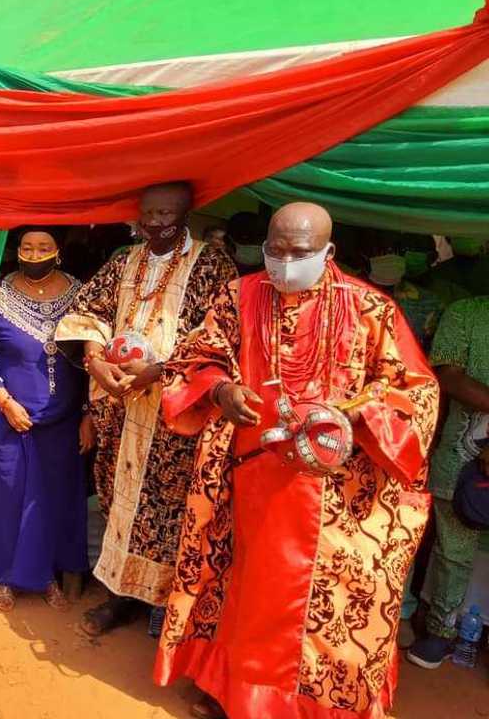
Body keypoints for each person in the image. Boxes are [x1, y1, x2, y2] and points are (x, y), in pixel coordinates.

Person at [156, 202, 439, 719]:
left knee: (327, 611)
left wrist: (352, 417)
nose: (285, 262)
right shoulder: (239, 296)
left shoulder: (370, 309)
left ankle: (320, 705)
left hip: (338, 491)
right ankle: (237, 693)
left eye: (300, 252)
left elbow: (414, 392)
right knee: (250, 599)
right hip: (251, 477)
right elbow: (195, 357)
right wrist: (219, 390)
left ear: (328, 251)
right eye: (275, 251)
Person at [55, 182, 237, 637]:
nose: (153, 223)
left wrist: (158, 370)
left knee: (167, 505)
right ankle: (119, 595)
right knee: (119, 499)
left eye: (164, 215)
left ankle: (163, 602)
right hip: (118, 405)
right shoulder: (123, 259)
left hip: (171, 410)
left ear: (186, 215)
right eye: (148, 214)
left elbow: (216, 336)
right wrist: (96, 362)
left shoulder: (213, 266)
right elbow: (89, 311)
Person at [0, 228, 88, 610]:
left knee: (52, 499)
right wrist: (6, 403)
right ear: (16, 251)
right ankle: (7, 577)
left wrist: (88, 414)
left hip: (64, 422)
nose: (33, 254)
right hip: (9, 419)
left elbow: (93, 361)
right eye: (26, 247)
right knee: (8, 496)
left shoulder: (81, 295)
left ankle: (49, 577)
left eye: (43, 248)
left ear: (58, 253)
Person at [407, 295, 489, 669]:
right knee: (441, 545)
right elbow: (450, 377)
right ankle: (430, 626)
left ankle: (450, 630)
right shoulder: (467, 313)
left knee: (456, 552)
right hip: (456, 455)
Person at [224, 210, 267, 275]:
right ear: (228, 241)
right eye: (246, 239)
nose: (254, 244)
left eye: (259, 238)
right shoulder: (215, 269)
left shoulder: (272, 273)